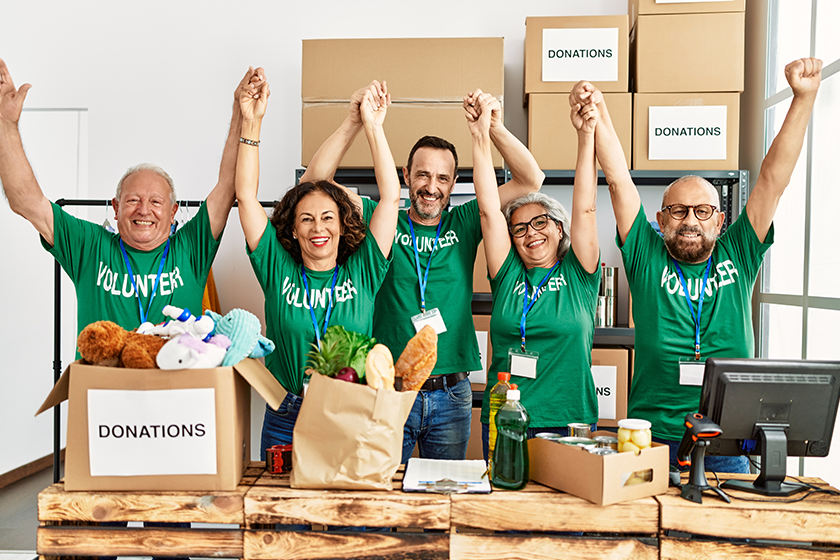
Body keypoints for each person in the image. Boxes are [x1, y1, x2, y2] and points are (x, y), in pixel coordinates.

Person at [576, 57, 823, 472]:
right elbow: (618, 179)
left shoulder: (739, 252)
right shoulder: (644, 254)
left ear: (721, 219)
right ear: (660, 219)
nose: (690, 220)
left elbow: (771, 181)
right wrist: (599, 112)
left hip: (727, 438)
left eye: (703, 210)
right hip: (652, 439)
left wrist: (804, 97)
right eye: (678, 209)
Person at [300, 82, 544, 464]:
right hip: (389, 390)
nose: (431, 187)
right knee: (382, 497)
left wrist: (493, 127)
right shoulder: (380, 219)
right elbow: (312, 185)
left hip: (452, 393)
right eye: (423, 175)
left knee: (442, 504)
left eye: (443, 179)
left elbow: (531, 180)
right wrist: (353, 122)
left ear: (454, 184)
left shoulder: (465, 220)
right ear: (405, 175)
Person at [0, 57, 256, 336]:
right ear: (116, 207)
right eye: (133, 200)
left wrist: (240, 114)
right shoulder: (88, 246)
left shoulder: (191, 248)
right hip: (101, 380)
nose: (144, 210)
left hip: (176, 379)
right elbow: (26, 201)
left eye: (156, 202)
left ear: (172, 213)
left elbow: (228, 185)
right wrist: (5, 125)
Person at [234, 74, 400, 453]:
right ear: (292, 230)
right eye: (306, 219)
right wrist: (251, 121)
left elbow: (390, 199)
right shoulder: (277, 267)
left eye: (328, 218)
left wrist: (372, 126)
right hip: (286, 416)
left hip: (351, 416)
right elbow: (245, 196)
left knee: (340, 513)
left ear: (343, 226)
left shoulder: (364, 269)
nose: (317, 227)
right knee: (281, 514)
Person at [467, 90, 601, 460]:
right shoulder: (508, 275)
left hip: (568, 420)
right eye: (520, 229)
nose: (531, 234)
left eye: (540, 223)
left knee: (565, 516)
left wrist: (585, 136)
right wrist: (480, 137)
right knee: (508, 512)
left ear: (560, 229)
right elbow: (488, 211)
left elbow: (586, 209)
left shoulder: (580, 273)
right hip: (505, 418)